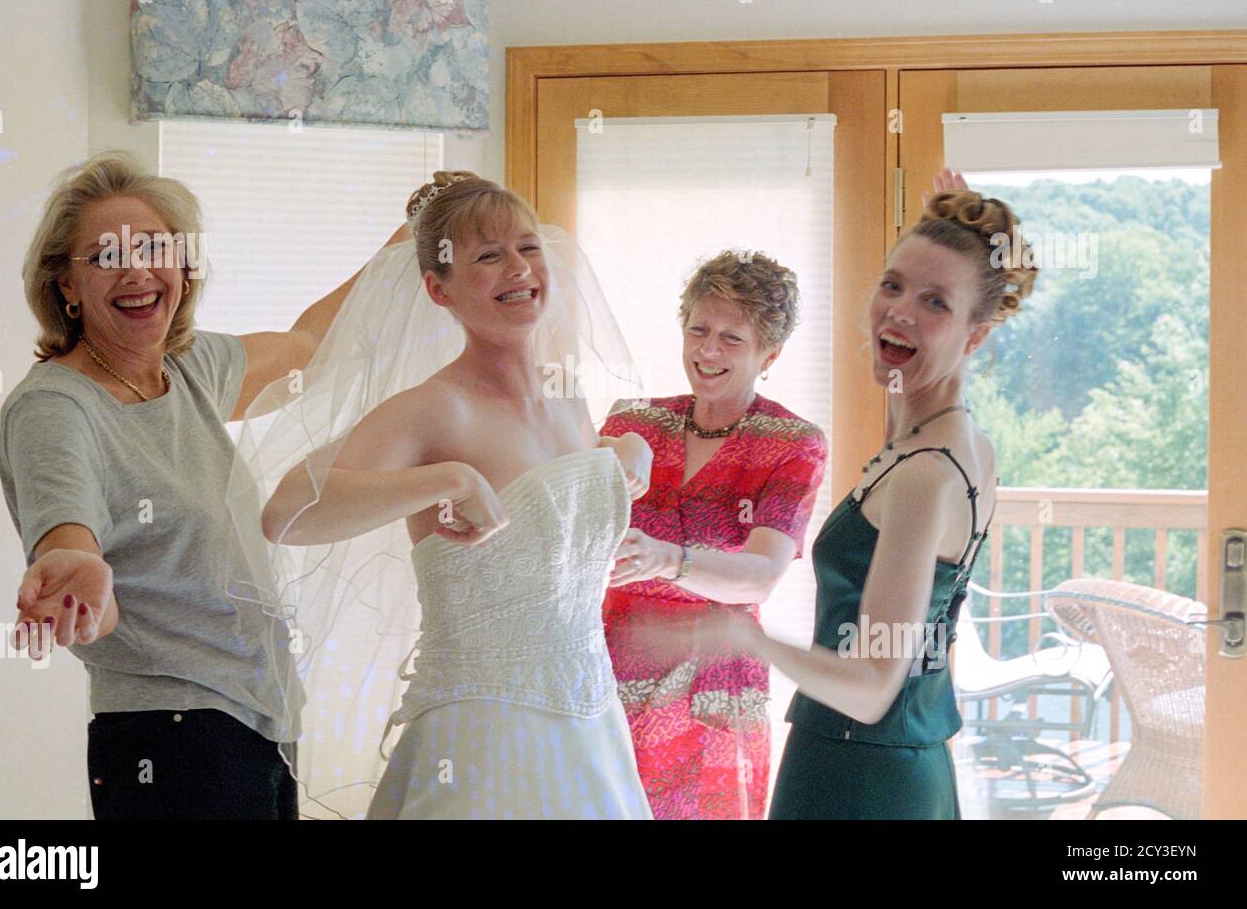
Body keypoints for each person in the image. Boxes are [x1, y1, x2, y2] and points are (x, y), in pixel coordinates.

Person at [0, 150, 403, 819]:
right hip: (174, 737)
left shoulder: (187, 369)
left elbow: (309, 345)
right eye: (105, 255)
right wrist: (74, 567)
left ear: (183, 264)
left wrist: (411, 236)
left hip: (258, 724)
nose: (136, 268)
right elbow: (68, 535)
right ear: (65, 285)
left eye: (154, 245)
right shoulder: (55, 408)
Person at [248, 171, 654, 819]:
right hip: (480, 739)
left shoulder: (570, 400)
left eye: (528, 246)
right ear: (439, 290)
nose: (517, 268)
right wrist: (446, 479)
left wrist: (623, 455)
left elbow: (556, 514)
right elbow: (287, 511)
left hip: (591, 722)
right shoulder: (433, 410)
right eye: (488, 256)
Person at [676, 171, 1038, 819]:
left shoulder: (928, 470)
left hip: (860, 774)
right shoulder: (956, 439)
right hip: (893, 761)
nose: (899, 310)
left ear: (975, 336)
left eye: (936, 302)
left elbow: (872, 687)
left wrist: (745, 637)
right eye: (893, 284)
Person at [600, 250, 827, 819]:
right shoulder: (632, 422)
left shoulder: (792, 442)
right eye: (698, 330)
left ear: (769, 354)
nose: (707, 350)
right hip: (608, 662)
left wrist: (667, 559)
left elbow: (762, 576)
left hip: (712, 683)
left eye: (732, 338)